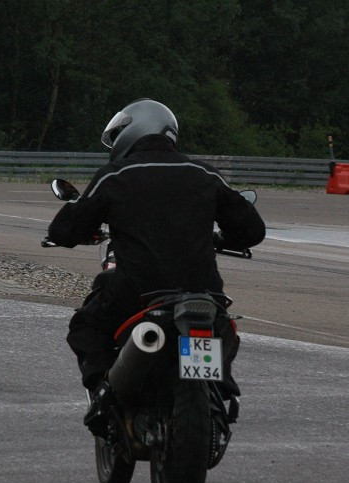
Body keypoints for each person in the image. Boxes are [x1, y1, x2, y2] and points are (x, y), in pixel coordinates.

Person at [46, 99, 266, 434]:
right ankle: (219, 389)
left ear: (133, 130)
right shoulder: (205, 174)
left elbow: (64, 229)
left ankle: (104, 395)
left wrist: (72, 231)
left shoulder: (116, 175)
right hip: (203, 293)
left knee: (86, 326)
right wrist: (222, 237)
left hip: (136, 293)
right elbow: (252, 231)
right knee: (222, 328)